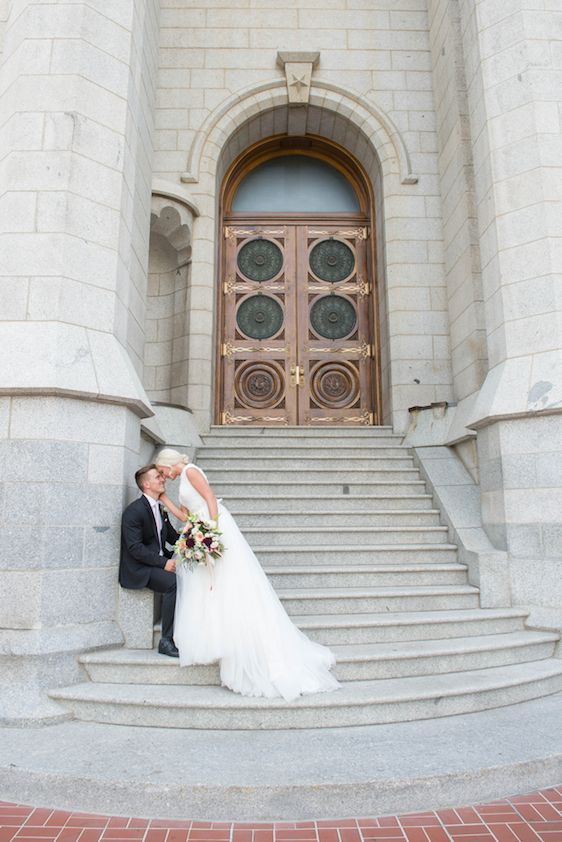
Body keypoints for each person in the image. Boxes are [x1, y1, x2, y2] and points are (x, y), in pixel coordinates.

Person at [155, 448, 340, 701]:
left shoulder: (191, 471)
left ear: (168, 464)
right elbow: (185, 516)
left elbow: (210, 499)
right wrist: (164, 498)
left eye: (162, 471)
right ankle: (221, 638)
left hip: (214, 528)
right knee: (212, 586)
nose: (164, 476)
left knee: (231, 582)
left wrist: (212, 533)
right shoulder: (180, 483)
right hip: (200, 529)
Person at [119, 464, 180, 658]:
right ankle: (166, 640)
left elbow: (172, 537)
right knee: (173, 583)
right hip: (140, 568)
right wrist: (163, 563)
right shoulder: (134, 511)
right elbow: (135, 548)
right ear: (146, 484)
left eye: (161, 476)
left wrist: (198, 541)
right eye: (157, 477)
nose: (163, 479)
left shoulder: (160, 509)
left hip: (158, 560)